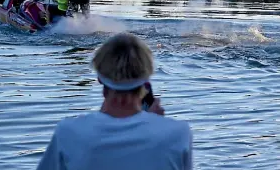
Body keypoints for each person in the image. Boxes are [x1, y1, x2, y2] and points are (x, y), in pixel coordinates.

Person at [36, 33, 193, 170]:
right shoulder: (177, 134)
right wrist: (156, 124)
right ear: (146, 78)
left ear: (99, 78)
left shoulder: (69, 132)